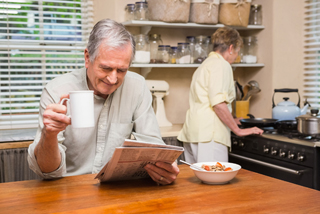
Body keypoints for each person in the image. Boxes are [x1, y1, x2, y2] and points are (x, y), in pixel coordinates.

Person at [27, 19, 179, 185]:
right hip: (67, 190)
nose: (113, 79)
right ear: (87, 58)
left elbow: (154, 145)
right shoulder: (56, 90)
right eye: (106, 68)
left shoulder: (137, 86)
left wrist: (165, 168)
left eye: (121, 70)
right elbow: (47, 172)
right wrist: (49, 135)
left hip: (116, 190)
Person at [177, 27, 263, 163]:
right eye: (237, 52)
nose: (236, 57)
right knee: (215, 181)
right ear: (231, 48)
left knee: (196, 181)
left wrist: (231, 120)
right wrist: (238, 131)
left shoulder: (205, 65)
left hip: (193, 133)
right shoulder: (221, 65)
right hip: (210, 136)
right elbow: (218, 103)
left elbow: (206, 102)